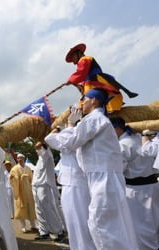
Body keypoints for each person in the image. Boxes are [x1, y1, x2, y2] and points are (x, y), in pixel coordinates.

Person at [49, 88, 138, 249]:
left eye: (85, 99)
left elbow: (71, 142)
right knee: (111, 225)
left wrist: (70, 125)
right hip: (103, 178)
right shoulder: (97, 120)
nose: (81, 103)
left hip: (103, 179)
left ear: (94, 101)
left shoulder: (92, 120)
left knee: (102, 225)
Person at [111, 117, 159, 250]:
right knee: (153, 224)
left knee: (139, 228)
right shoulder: (140, 137)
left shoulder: (123, 144)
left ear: (117, 129)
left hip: (135, 190)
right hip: (152, 185)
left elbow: (119, 169)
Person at [45, 128, 96, 250]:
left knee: (79, 223)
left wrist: (68, 125)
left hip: (75, 185)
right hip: (72, 184)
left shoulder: (74, 139)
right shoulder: (75, 139)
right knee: (74, 223)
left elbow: (49, 138)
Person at [65, 43, 137, 112]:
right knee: (85, 103)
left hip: (96, 82)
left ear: (79, 54)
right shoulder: (82, 62)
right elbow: (82, 77)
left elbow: (81, 73)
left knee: (96, 100)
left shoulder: (85, 59)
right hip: (89, 84)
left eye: (73, 56)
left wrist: (71, 80)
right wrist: (77, 85)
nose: (72, 60)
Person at [31, 142, 65, 242]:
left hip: (44, 186)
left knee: (48, 209)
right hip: (36, 186)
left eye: (39, 148)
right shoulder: (39, 159)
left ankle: (59, 231)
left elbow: (41, 145)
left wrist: (41, 142)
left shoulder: (47, 155)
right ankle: (44, 232)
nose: (36, 149)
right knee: (39, 210)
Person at [9, 153, 37, 233]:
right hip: (20, 190)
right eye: (18, 158)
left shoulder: (28, 168)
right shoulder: (15, 169)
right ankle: (23, 226)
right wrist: (14, 178)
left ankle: (33, 225)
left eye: (21, 158)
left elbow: (32, 178)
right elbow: (12, 178)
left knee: (30, 208)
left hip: (28, 191)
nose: (20, 159)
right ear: (17, 159)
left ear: (24, 159)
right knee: (21, 209)